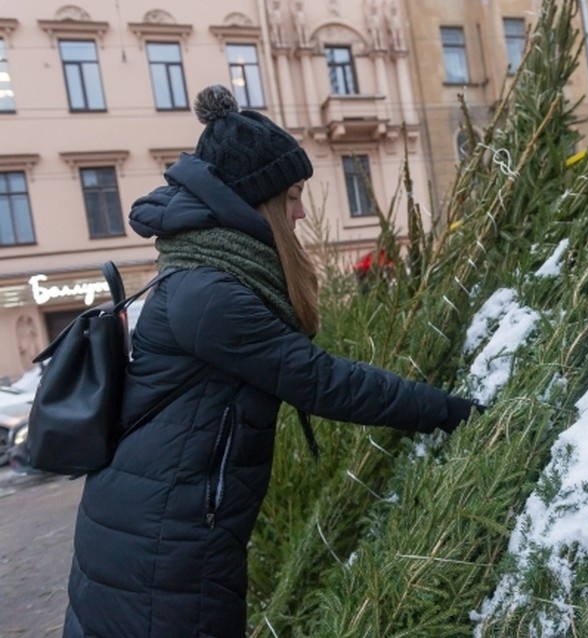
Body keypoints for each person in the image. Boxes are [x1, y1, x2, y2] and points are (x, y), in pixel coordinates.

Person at [62, 84, 482, 638]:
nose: (303, 211)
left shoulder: (208, 269)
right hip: (162, 550)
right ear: (254, 201)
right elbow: (324, 382)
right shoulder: (212, 294)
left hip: (159, 531)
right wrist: (454, 413)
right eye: (292, 196)